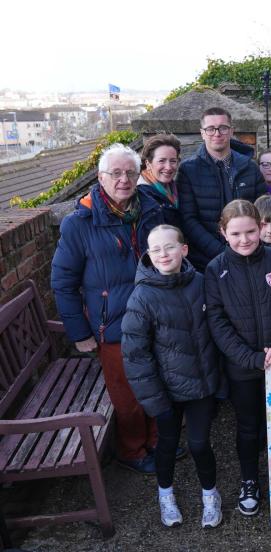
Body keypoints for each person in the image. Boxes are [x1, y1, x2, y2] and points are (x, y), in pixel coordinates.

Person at [51, 143, 164, 474]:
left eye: (130, 172)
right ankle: (131, 450)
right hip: (112, 324)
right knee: (126, 396)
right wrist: (79, 333)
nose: (123, 180)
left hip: (155, 316)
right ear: (101, 178)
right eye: (115, 173)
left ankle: (157, 442)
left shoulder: (151, 210)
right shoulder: (79, 223)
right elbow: (63, 282)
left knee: (156, 383)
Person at [205, 200, 271, 516]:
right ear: (223, 233)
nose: (245, 239)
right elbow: (217, 323)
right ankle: (250, 479)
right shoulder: (215, 270)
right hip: (244, 368)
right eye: (236, 233)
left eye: (251, 231)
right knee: (249, 428)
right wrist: (248, 357)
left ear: (261, 228)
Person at [121, 225, 222, 528]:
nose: (163, 254)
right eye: (156, 249)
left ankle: (210, 495)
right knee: (166, 444)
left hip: (202, 384)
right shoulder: (142, 297)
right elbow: (135, 354)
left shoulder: (202, 283)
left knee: (199, 444)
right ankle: (165, 494)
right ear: (148, 255)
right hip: (166, 391)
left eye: (169, 247)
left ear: (184, 249)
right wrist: (155, 400)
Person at [177, 107, 266, 272]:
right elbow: (188, 220)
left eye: (223, 128)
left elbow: (262, 210)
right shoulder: (188, 170)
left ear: (231, 131)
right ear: (202, 133)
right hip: (207, 262)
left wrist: (247, 245)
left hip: (249, 255)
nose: (217, 133)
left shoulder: (250, 167)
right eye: (210, 129)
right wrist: (222, 252)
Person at [138, 134, 182, 227]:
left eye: (173, 161)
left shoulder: (176, 188)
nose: (168, 167)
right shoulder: (140, 194)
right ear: (148, 163)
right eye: (161, 161)